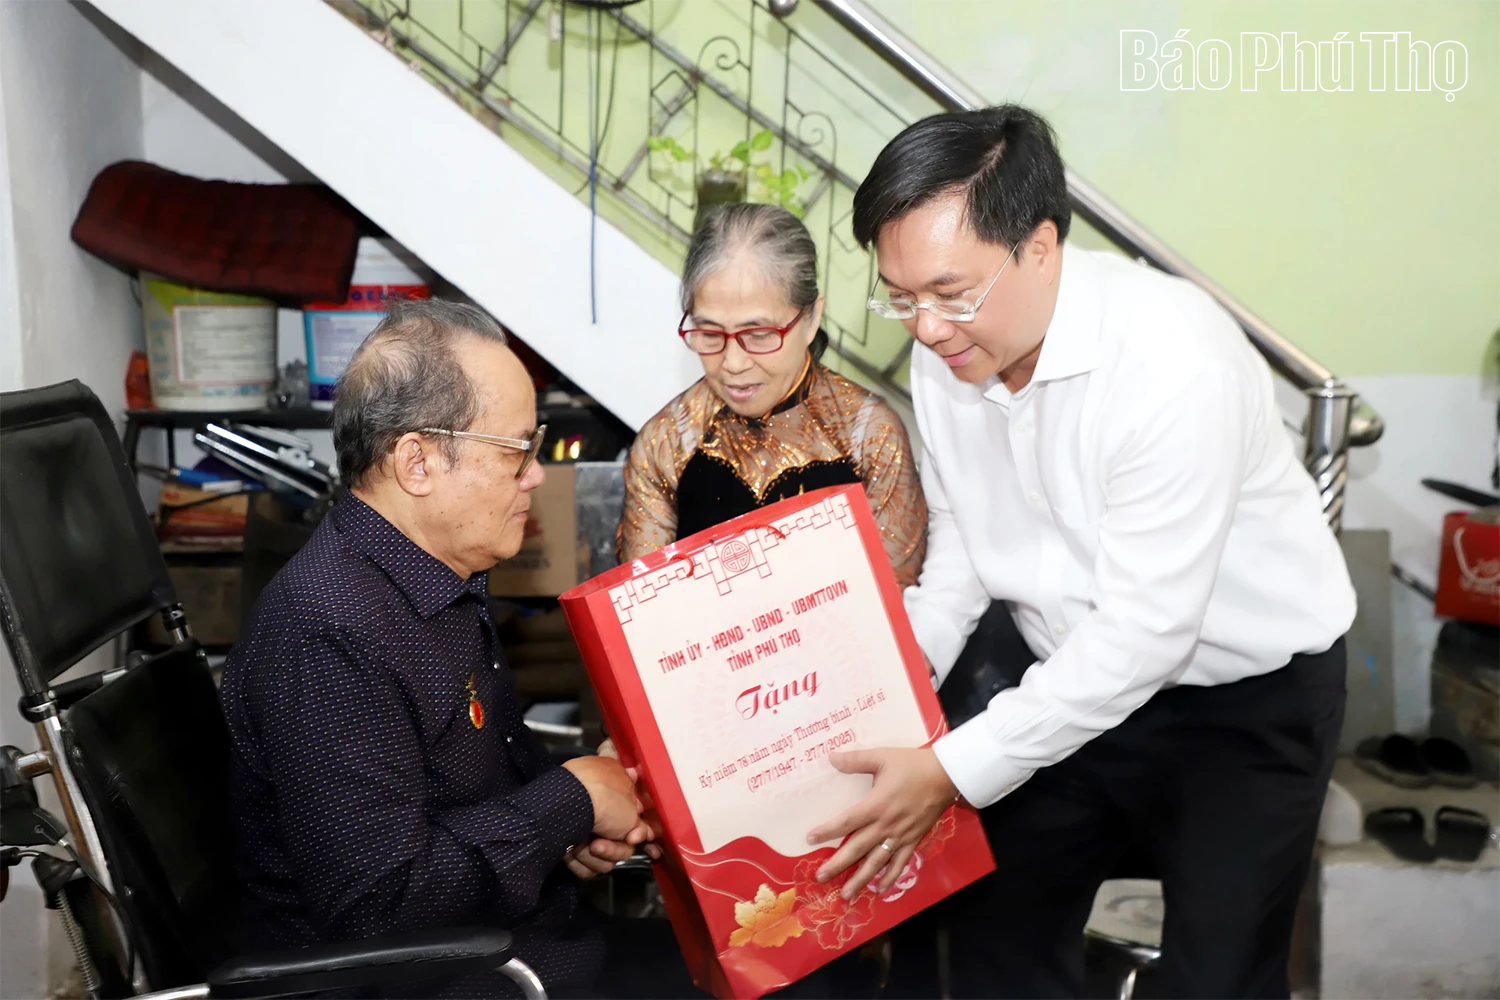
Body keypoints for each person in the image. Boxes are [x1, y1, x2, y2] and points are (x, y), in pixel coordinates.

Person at [807, 106, 1356, 998]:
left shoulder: (1174, 364)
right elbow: (964, 549)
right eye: (900, 297)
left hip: (1244, 705)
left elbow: (1144, 634)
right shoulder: (950, 359)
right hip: (1059, 680)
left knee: (1219, 975)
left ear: (1040, 247)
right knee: (996, 939)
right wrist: (898, 680)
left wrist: (950, 769)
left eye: (951, 292)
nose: (927, 328)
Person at [221, 298, 674, 998]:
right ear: (418, 462)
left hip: (526, 942)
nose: (536, 474)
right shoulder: (329, 632)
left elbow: (477, 788)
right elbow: (379, 908)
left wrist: (581, 813)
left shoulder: (433, 581)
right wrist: (573, 801)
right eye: (517, 449)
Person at [617, 203, 926, 586]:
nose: (732, 363)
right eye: (710, 333)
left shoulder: (868, 436)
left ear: (811, 318)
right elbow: (643, 600)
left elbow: (894, 594)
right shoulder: (667, 442)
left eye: (759, 335)